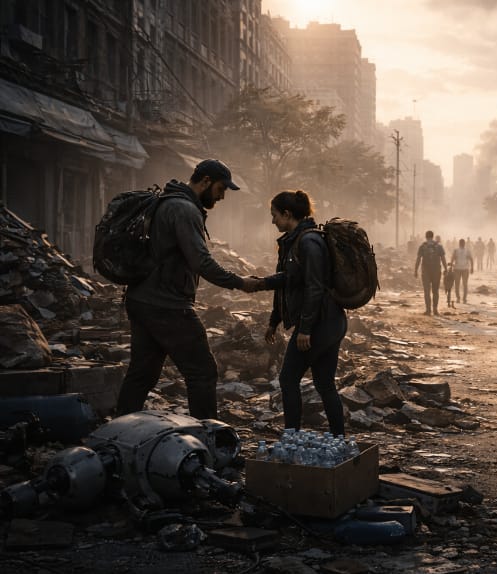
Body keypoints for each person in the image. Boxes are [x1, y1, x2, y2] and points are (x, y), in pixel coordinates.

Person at [116, 159, 260, 420]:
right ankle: (209, 435)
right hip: (167, 305)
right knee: (202, 372)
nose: (222, 196)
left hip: (141, 299)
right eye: (220, 189)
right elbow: (201, 261)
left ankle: (118, 431)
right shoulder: (184, 209)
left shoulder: (167, 201)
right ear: (205, 181)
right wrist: (240, 282)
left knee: (142, 374)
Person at [262, 190, 348, 435]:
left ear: (287, 214)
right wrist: (274, 321)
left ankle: (291, 438)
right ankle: (338, 439)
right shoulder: (295, 241)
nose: (273, 221)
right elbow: (288, 283)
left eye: (274, 215)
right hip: (330, 322)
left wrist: (306, 329)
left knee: (288, 379)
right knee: (324, 383)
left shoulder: (309, 242)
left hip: (320, 323)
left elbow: (314, 287)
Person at [414, 230, 446, 316]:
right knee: (435, 291)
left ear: (426, 236)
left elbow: (418, 259)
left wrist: (416, 270)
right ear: (432, 236)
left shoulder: (422, 246)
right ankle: (435, 310)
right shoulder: (439, 246)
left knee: (427, 291)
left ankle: (428, 310)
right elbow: (443, 258)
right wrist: (446, 269)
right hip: (436, 271)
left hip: (426, 271)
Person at [450, 238, 474, 303]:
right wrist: (451, 267)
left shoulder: (466, 251)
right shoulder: (457, 250)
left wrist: (472, 268)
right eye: (461, 243)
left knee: (462, 284)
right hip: (459, 269)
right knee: (460, 284)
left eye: (462, 243)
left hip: (463, 269)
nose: (462, 244)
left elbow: (471, 259)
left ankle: (462, 299)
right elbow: (452, 259)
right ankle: (460, 298)